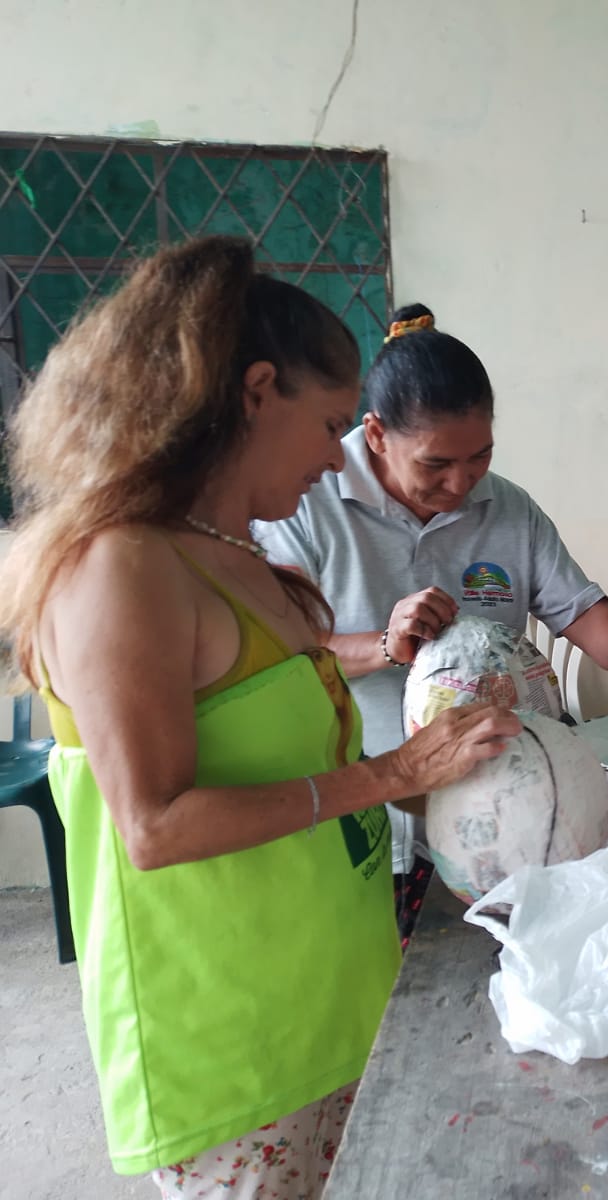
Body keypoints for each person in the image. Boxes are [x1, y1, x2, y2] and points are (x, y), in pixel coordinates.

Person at [0, 237, 522, 1195]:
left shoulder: (237, 555)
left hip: (334, 995)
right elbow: (154, 826)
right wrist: (396, 772)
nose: (335, 457)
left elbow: (304, 766)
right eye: (328, 425)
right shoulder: (120, 566)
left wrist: (484, 788)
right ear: (255, 392)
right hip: (234, 1041)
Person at [256, 305, 608, 934]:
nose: (460, 483)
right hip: (369, 805)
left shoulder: (506, 507)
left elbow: (578, 607)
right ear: (376, 435)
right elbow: (281, 653)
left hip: (511, 817)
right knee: (399, 969)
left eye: (479, 456)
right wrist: (386, 645)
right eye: (435, 465)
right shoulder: (307, 500)